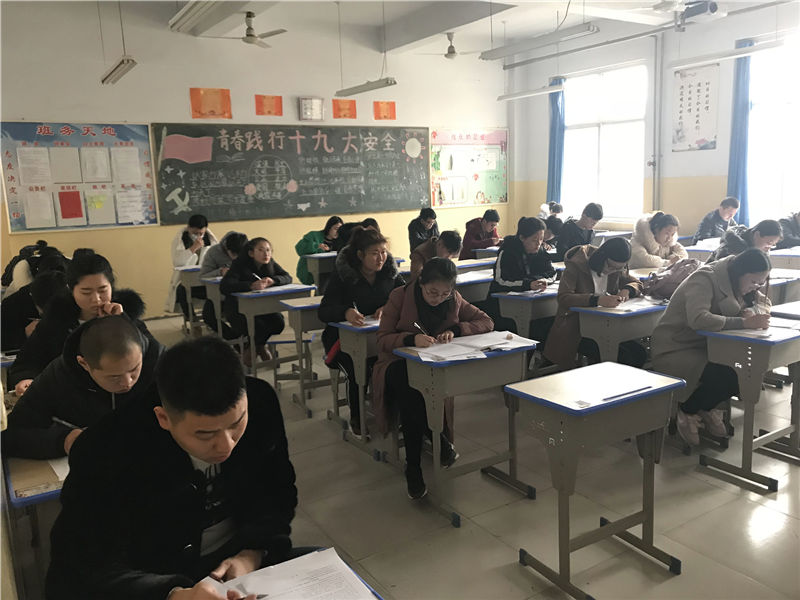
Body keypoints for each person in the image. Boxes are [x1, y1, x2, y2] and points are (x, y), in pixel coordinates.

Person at [46, 336, 299, 599]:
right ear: (163, 417)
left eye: (236, 424)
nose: (226, 445)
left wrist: (252, 553)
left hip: (237, 562)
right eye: (205, 434)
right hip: (154, 580)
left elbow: (278, 494)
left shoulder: (260, 402)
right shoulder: (106, 448)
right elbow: (83, 564)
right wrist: (174, 593)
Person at [372, 258, 493, 499]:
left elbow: (486, 321)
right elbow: (382, 338)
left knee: (418, 393)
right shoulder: (400, 297)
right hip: (395, 364)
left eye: (445, 293)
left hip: (432, 364)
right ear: (421, 283)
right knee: (412, 390)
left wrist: (456, 330)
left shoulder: (454, 299)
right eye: (432, 292)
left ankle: (426, 453)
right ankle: (417, 463)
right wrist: (410, 339)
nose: (438, 298)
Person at [652, 249, 772, 446]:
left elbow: (764, 302)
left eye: (760, 283)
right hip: (676, 347)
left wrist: (752, 311)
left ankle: (705, 407)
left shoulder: (742, 282)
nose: (756, 287)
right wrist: (743, 322)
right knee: (730, 376)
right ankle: (688, 410)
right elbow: (698, 319)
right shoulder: (705, 278)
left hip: (708, 346)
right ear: (739, 272)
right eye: (753, 282)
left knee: (745, 373)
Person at [3, 315, 163, 459]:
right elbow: (11, 434)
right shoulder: (60, 375)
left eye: (134, 369)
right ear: (84, 363)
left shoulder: (160, 362)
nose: (127, 382)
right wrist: (64, 440)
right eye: (114, 377)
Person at [7, 252, 145, 397]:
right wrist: (26, 379)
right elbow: (26, 362)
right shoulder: (56, 321)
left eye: (102, 290)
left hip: (124, 397)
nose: (96, 299)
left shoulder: (125, 315)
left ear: (112, 286)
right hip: (68, 398)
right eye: (86, 292)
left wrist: (122, 321)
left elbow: (153, 357)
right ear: (71, 290)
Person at [318, 227, 404, 437]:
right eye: (374, 253)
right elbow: (324, 311)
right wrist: (345, 312)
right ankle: (357, 416)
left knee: (397, 365)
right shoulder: (343, 276)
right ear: (360, 255)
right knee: (358, 368)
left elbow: (405, 296)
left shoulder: (389, 274)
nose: (381, 258)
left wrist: (388, 306)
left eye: (383, 252)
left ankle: (393, 414)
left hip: (379, 339)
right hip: (341, 341)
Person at [544, 238, 646, 370]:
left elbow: (637, 283)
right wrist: (597, 300)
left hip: (606, 325)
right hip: (577, 328)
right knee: (623, 357)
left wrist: (628, 290)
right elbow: (564, 297)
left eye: (619, 268)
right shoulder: (577, 265)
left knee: (639, 354)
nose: (613, 270)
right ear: (602, 257)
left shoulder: (616, 269)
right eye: (611, 266)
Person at [220, 238, 291, 364]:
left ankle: (257, 347)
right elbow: (225, 286)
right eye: (261, 250)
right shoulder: (239, 264)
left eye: (268, 250)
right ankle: (257, 349)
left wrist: (273, 281)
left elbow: (287, 277)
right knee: (259, 326)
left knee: (279, 322)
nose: (266, 254)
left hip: (263, 308)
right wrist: (250, 285)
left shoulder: (270, 262)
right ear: (251, 253)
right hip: (238, 309)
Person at [487, 217, 556, 338]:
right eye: (534, 240)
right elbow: (501, 281)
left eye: (541, 239)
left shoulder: (540, 251)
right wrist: (528, 284)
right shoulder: (508, 252)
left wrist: (542, 280)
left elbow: (552, 272)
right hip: (502, 306)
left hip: (529, 300)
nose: (538, 243)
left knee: (548, 321)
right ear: (522, 238)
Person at [1, 256, 68, 352]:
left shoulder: (72, 296)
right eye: (43, 313)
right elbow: (3, 342)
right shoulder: (11, 305)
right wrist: (24, 334)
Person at [165, 214, 218, 320]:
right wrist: (193, 248)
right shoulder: (180, 240)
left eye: (201, 233)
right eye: (195, 233)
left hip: (206, 280)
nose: (198, 236)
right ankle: (191, 318)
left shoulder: (210, 240)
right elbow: (177, 262)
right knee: (182, 291)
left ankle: (213, 316)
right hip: (188, 280)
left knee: (217, 290)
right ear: (188, 228)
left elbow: (217, 259)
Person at [705, 219, 783, 263]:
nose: (769, 248)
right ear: (757, 235)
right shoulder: (732, 248)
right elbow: (720, 276)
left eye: (773, 245)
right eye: (769, 243)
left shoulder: (759, 250)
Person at [294, 216, 343, 284]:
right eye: (336, 229)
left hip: (332, 274)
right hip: (310, 272)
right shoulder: (314, 236)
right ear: (329, 227)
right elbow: (299, 248)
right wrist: (317, 246)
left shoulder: (341, 240)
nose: (338, 232)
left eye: (340, 230)